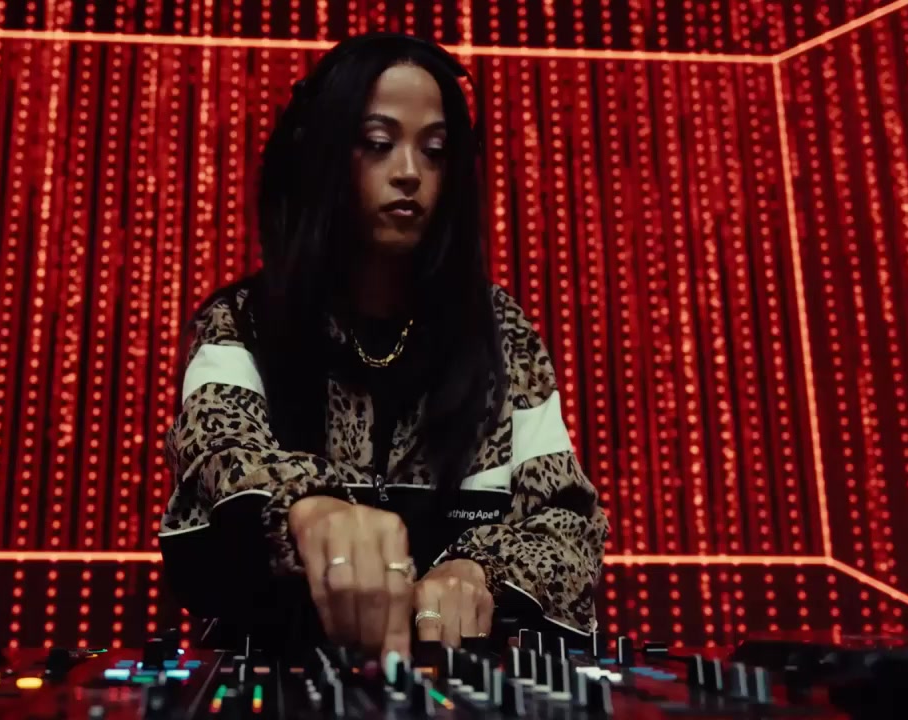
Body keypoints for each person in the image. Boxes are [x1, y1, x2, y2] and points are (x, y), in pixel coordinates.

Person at [157, 33, 608, 666]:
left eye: (435, 151)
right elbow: (219, 454)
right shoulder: (242, 322)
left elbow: (569, 522)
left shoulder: (499, 333)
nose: (408, 172)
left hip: (454, 681)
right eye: (377, 143)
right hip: (277, 672)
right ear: (321, 155)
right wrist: (311, 512)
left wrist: (476, 572)